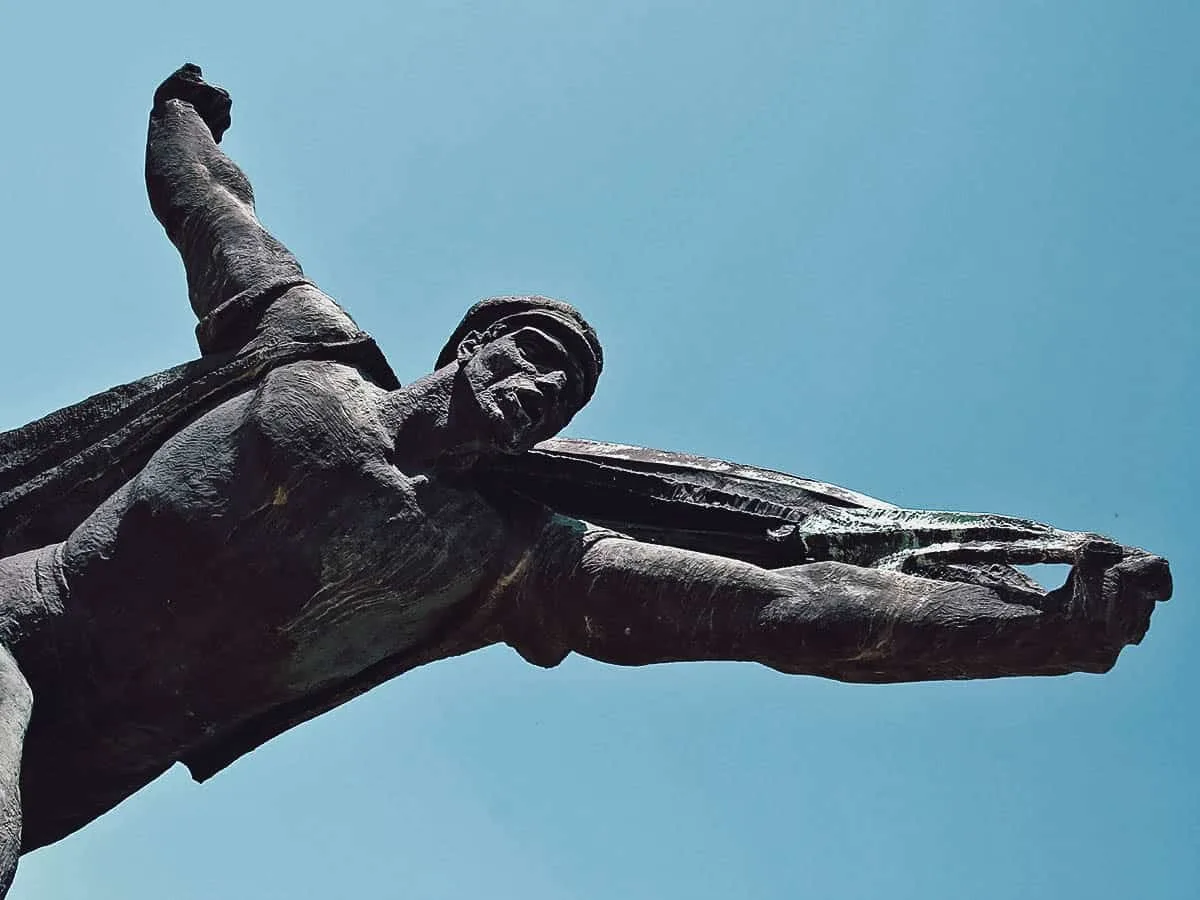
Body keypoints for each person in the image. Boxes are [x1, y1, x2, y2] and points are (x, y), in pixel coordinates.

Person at [0, 65, 1171, 896]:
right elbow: (213, 214)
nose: (548, 392)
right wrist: (179, 116)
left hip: (98, 755)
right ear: (470, 344)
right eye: (539, 359)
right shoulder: (311, 359)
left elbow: (781, 609)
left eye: (570, 393)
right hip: (21, 621)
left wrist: (1046, 629)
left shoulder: (507, 561)